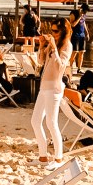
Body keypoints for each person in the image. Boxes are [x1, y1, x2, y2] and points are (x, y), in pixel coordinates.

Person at [30, 17, 72, 170]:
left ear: (63, 31)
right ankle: (43, 157)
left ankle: (59, 158)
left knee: (51, 123)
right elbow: (41, 62)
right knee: (35, 121)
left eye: (55, 31)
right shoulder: (54, 44)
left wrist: (54, 48)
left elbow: (60, 67)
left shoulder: (67, 46)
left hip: (54, 88)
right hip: (44, 87)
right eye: (52, 30)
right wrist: (41, 46)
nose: (53, 34)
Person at [69, 8, 88, 75]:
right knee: (74, 52)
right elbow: (72, 24)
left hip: (82, 35)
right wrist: (79, 17)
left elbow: (83, 22)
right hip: (75, 35)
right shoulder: (73, 13)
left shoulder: (84, 15)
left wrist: (87, 32)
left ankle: (79, 68)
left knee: (81, 52)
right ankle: (69, 67)